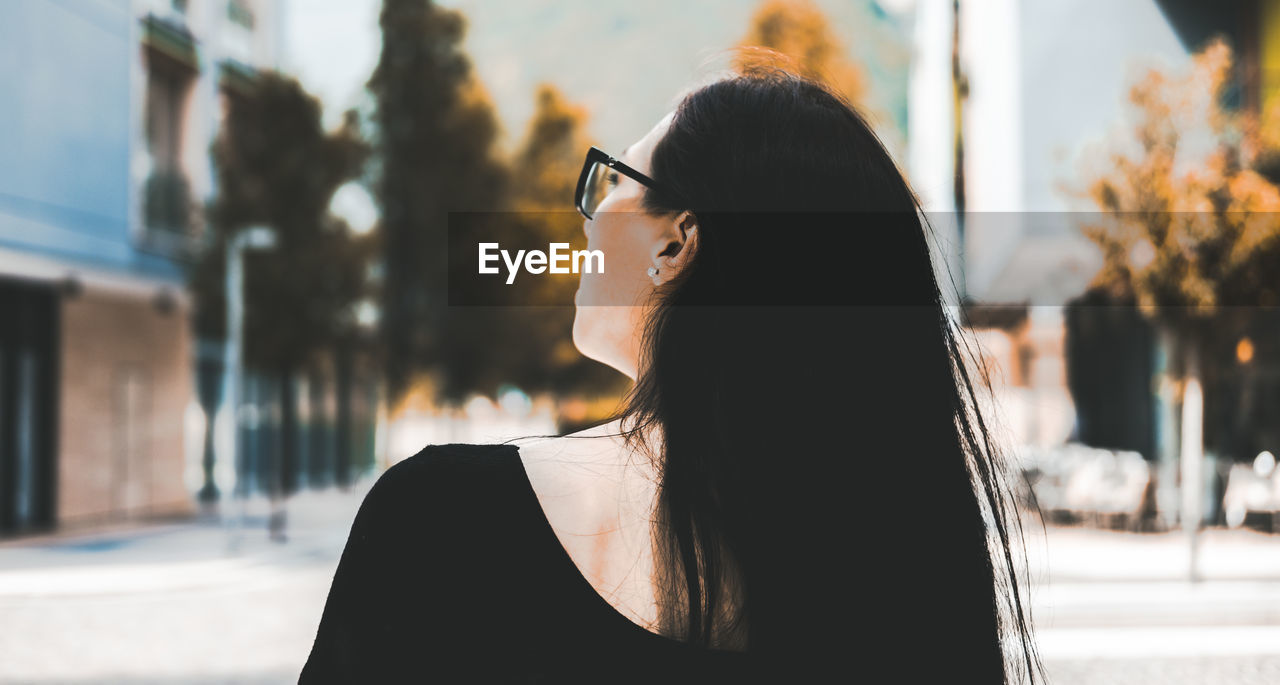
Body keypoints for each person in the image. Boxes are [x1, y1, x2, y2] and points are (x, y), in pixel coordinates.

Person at [299, 66, 1044, 683]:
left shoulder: (439, 518)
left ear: (676, 242)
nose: (588, 220)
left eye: (612, 182)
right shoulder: (909, 566)